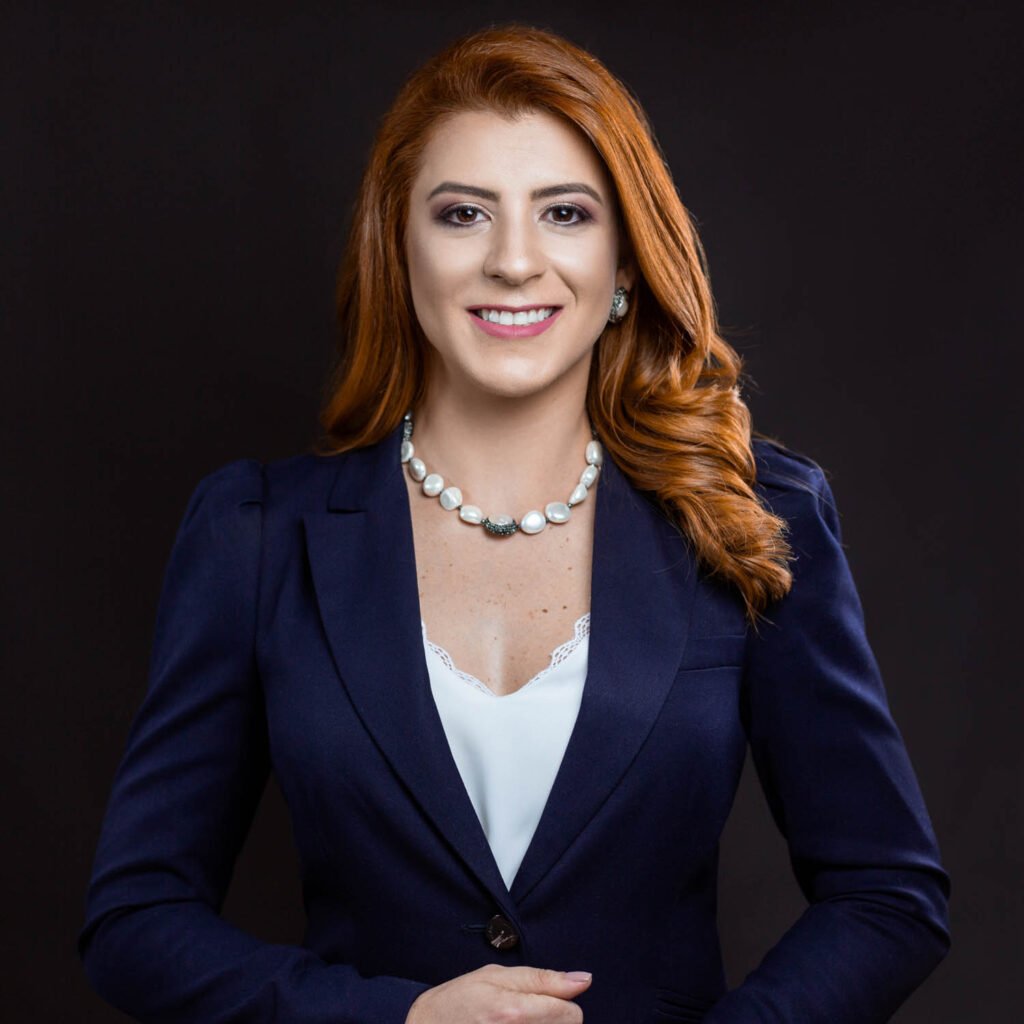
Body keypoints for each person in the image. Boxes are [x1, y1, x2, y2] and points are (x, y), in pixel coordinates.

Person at [77, 24, 951, 1024]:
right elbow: (135, 921)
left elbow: (888, 896)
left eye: (564, 213)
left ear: (625, 264)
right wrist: (395, 1019)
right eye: (464, 215)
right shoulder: (257, 534)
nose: (514, 261)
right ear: (397, 250)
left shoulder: (751, 518)